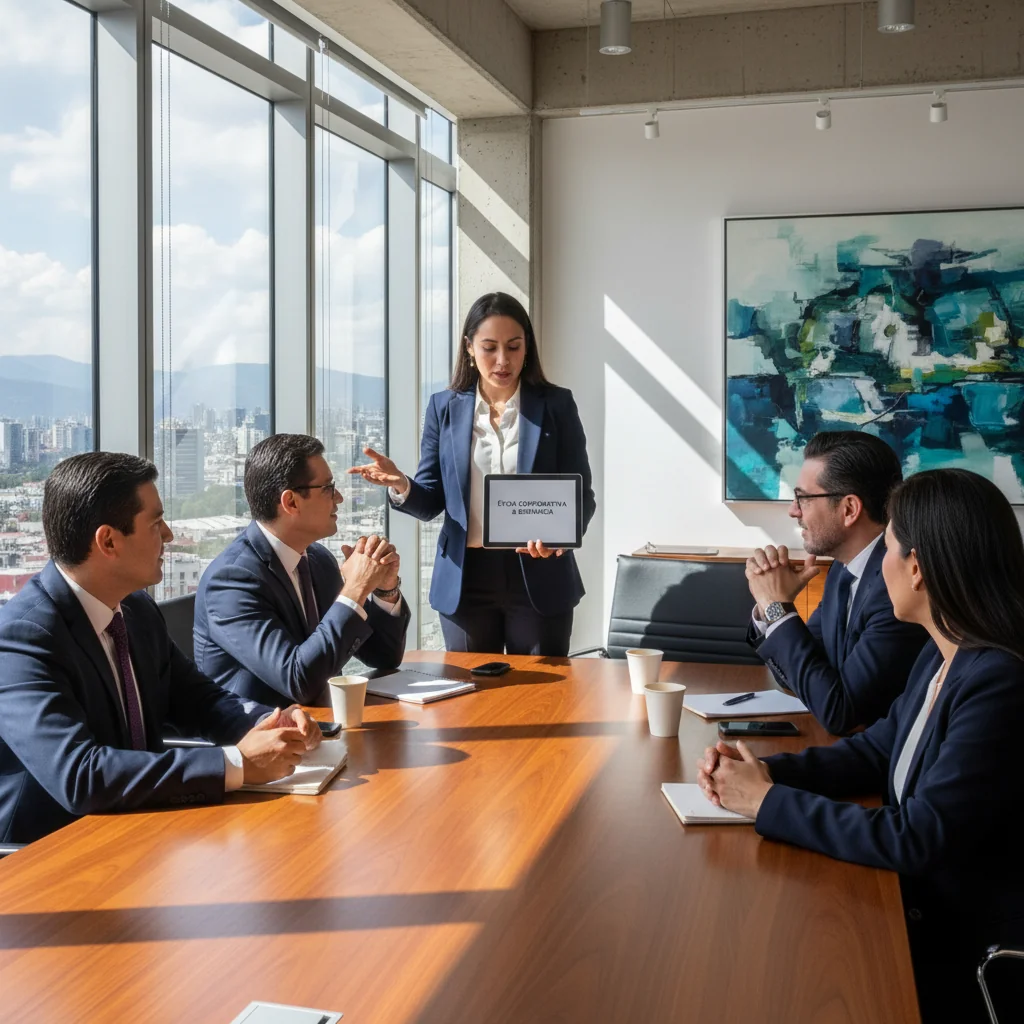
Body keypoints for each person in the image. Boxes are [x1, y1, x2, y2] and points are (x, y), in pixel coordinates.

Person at [699, 468, 1024, 1022]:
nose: (881, 566)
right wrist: (769, 773)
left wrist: (765, 803)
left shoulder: (999, 682)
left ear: (918, 568)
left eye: (890, 547)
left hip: (958, 952)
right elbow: (875, 752)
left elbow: (918, 837)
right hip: (906, 906)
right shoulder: (944, 653)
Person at [0, 453, 319, 845]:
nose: (168, 534)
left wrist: (269, 723)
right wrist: (237, 763)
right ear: (109, 541)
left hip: (143, 830)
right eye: (155, 522)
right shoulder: (21, 637)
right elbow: (80, 775)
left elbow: (199, 700)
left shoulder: (135, 609)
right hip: (50, 857)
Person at [348, 292, 596, 657]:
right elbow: (431, 500)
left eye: (513, 347)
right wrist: (401, 484)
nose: (502, 360)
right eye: (489, 348)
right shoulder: (443, 408)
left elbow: (581, 498)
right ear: (468, 348)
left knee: (545, 695)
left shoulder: (556, 405)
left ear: (527, 347)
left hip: (539, 575)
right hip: (466, 580)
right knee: (470, 698)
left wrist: (559, 538)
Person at [194, 434, 410, 709]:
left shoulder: (318, 560)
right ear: (291, 502)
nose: (340, 498)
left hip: (324, 728)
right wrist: (355, 588)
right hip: (261, 739)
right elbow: (298, 681)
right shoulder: (231, 581)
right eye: (329, 488)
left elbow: (384, 657)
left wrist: (384, 588)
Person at [745, 430, 928, 734]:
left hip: (880, 768)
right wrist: (771, 610)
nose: (793, 511)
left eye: (802, 498)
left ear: (849, 509)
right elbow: (803, 674)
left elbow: (840, 713)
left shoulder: (896, 588)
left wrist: (776, 607)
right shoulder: (845, 571)